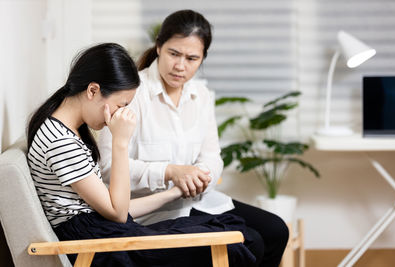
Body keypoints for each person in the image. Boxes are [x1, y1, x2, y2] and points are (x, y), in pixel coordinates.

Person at [26, 43, 256, 267]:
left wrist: (174, 193)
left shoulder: (67, 130)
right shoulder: (61, 141)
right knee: (231, 246)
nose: (120, 115)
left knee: (229, 227)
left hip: (103, 235)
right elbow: (117, 213)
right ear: (93, 90)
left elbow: (117, 209)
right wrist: (120, 142)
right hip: (97, 247)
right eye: (121, 105)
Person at [98, 10, 289, 267]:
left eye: (192, 58)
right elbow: (109, 168)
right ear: (158, 47)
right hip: (152, 210)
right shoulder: (132, 93)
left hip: (196, 200)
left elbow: (212, 156)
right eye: (174, 54)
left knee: (276, 230)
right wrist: (171, 171)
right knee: (252, 241)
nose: (180, 66)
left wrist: (199, 177)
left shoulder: (201, 94)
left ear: (202, 59)